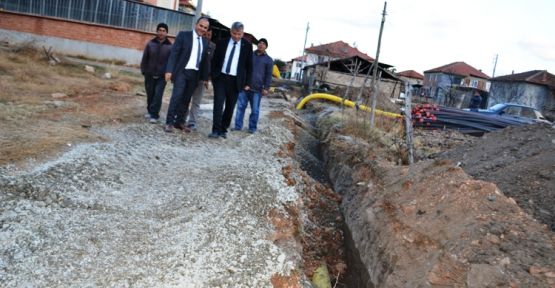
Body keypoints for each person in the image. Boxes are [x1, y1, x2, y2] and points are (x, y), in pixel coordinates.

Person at [163, 17, 210, 133]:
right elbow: (174, 54)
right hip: (182, 72)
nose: (202, 29)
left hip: (194, 75)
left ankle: (179, 122)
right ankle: (169, 122)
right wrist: (169, 70)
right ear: (196, 24)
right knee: (176, 96)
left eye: (205, 27)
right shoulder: (184, 35)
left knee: (186, 99)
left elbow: (204, 61)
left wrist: (205, 78)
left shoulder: (205, 42)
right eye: (201, 26)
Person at [208, 21, 253, 138]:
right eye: (234, 33)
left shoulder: (247, 46)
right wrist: (213, 76)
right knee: (218, 105)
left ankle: (223, 130)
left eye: (239, 34)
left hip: (236, 81)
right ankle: (215, 130)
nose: (236, 36)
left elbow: (249, 66)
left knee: (230, 107)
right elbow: (214, 61)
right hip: (221, 78)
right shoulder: (222, 43)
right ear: (230, 31)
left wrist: (248, 83)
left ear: (243, 33)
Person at [233, 38, 273, 134]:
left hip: (257, 89)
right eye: (260, 43)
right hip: (245, 87)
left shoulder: (268, 60)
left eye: (263, 44)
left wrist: (266, 88)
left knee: (255, 110)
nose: (261, 45)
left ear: (266, 46)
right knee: (240, 107)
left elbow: (268, 75)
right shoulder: (250, 55)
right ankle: (238, 127)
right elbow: (243, 69)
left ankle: (252, 128)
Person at [183, 26, 216, 131]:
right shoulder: (196, 42)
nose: (207, 37)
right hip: (191, 75)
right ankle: (182, 119)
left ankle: (192, 122)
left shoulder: (213, 47)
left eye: (209, 35)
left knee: (196, 101)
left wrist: (208, 78)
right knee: (186, 99)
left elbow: (212, 64)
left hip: (202, 78)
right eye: (205, 34)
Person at [140, 23, 172, 123]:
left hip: (162, 76)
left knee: (158, 95)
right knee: (150, 94)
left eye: (164, 31)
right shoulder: (150, 44)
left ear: (167, 33)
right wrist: (143, 70)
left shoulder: (170, 46)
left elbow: (171, 61)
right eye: (160, 30)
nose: (161, 32)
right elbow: (145, 58)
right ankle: (150, 111)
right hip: (149, 73)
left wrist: (169, 72)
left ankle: (154, 115)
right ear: (157, 31)